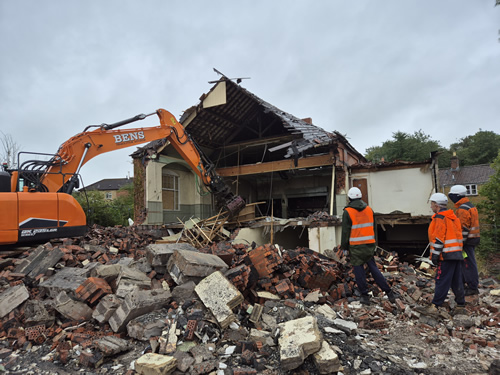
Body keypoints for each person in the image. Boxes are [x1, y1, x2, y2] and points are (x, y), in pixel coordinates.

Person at [340, 187, 396, 305]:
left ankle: (365, 296)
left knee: (359, 271)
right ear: (360, 196)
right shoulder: (369, 210)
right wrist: (374, 244)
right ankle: (389, 292)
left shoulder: (348, 212)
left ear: (349, 198)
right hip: (369, 245)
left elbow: (345, 232)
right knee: (374, 269)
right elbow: (374, 228)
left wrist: (344, 247)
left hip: (356, 247)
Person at [417, 192, 466, 318]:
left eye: (432, 204)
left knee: (441, 280)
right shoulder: (452, 217)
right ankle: (461, 305)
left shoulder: (440, 218)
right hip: (456, 254)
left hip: (446, 255)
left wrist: (434, 255)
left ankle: (435, 306)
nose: (431, 206)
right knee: (456, 281)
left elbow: (438, 238)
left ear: (436, 205)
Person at [448, 184, 480, 296]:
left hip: (467, 242)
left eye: (451, 195)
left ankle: (472, 287)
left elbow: (463, 228)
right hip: (472, 240)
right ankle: (467, 283)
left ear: (457, 196)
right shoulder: (469, 206)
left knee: (468, 263)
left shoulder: (462, 209)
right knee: (467, 262)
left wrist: (460, 244)